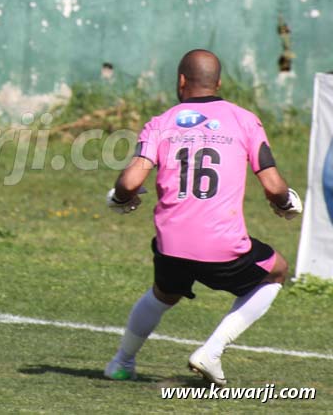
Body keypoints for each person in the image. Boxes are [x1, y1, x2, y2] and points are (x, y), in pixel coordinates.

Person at [103, 49, 302, 385]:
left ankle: (122, 362)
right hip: (222, 245)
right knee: (277, 271)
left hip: (171, 244)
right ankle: (212, 351)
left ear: (181, 81)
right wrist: (286, 203)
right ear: (219, 83)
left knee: (163, 294)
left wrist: (121, 198)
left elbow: (130, 182)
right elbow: (272, 184)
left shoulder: (161, 123)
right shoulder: (244, 119)